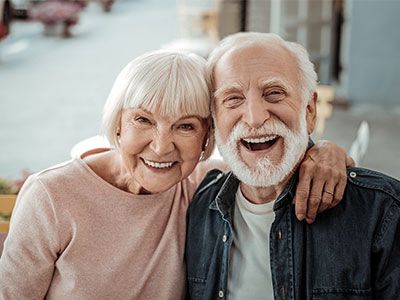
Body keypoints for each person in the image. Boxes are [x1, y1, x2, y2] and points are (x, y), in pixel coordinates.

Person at [0, 49, 350, 299]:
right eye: (143, 120)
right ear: (117, 123)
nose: (161, 147)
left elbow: (270, 157)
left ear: (206, 140)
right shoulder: (51, 196)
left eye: (184, 126)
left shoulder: (201, 184)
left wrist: (326, 152)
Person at [185, 32, 400, 299]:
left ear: (309, 111)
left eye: (274, 94)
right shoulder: (197, 204)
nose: (254, 118)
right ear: (215, 119)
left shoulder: (382, 213)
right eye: (233, 99)